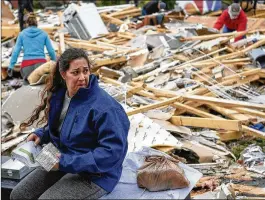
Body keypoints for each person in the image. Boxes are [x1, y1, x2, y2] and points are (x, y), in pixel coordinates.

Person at [10, 48, 130, 199]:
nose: (82, 77)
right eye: (75, 72)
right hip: (63, 158)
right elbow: (61, 126)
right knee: (19, 195)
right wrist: (42, 134)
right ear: (63, 74)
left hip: (95, 174)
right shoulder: (60, 95)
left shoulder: (106, 108)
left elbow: (112, 153)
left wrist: (64, 162)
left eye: (85, 71)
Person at [7, 14, 56, 84]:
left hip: (26, 65)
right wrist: (55, 63)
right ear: (37, 23)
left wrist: (11, 66)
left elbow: (16, 51)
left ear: (27, 24)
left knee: (27, 86)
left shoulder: (22, 34)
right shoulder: (44, 34)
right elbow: (51, 51)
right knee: (42, 87)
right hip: (41, 64)